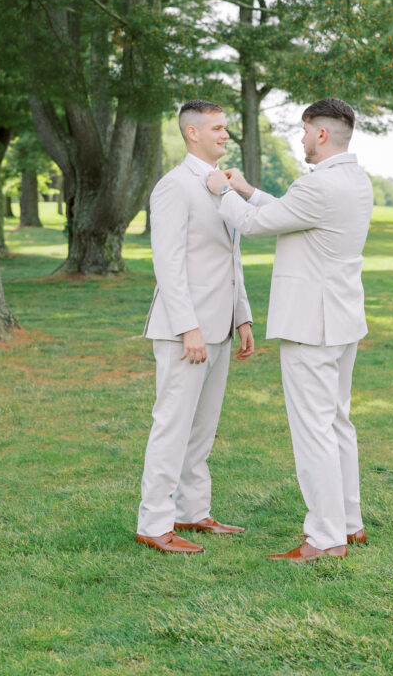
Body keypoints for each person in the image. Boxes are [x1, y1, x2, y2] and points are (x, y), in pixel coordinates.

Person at [206, 97, 373, 563]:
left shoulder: (318, 185)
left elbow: (259, 226)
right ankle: (349, 523)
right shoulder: (354, 179)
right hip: (341, 321)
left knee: (314, 430)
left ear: (320, 133)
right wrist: (248, 189)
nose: (300, 140)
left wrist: (222, 191)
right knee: (338, 423)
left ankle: (324, 538)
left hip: (311, 324)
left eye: (303, 131)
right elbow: (291, 213)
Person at [136, 99, 255, 555]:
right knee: (172, 425)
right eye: (218, 128)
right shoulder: (173, 186)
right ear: (193, 133)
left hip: (220, 326)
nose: (226, 135)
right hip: (184, 331)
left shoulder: (220, 184)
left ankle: (192, 511)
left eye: (226, 128)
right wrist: (188, 327)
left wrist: (240, 316)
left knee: (203, 428)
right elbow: (167, 263)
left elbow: (231, 257)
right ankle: (154, 522)